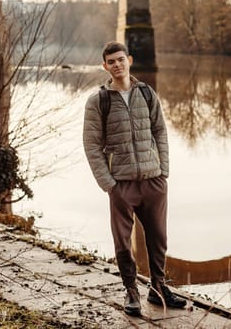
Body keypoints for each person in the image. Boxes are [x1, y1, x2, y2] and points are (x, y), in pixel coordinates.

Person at [83, 41, 186, 316]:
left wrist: (163, 170)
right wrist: (109, 184)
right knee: (122, 242)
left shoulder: (147, 94)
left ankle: (158, 287)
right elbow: (91, 145)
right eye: (111, 62)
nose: (117, 65)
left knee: (158, 237)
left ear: (129, 60)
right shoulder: (99, 101)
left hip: (153, 180)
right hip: (121, 183)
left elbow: (160, 132)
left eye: (120, 59)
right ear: (105, 66)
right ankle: (131, 290)